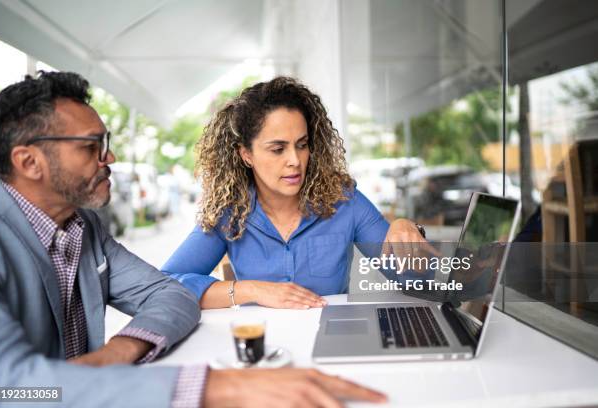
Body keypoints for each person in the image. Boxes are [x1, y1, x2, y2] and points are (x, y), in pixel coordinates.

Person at [0, 72, 387, 407]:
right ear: (28, 162)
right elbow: (7, 389)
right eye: (93, 147)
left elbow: (169, 294)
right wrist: (213, 386)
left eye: (301, 145)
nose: (111, 158)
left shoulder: (82, 228)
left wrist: (113, 355)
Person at [163, 76, 427, 310]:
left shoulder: (344, 200)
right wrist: (253, 290)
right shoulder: (230, 213)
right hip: (264, 353)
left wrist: (405, 227)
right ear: (246, 155)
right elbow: (166, 286)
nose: (295, 160)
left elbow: (419, 281)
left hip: (332, 344)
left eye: (301, 145)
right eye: (278, 149)